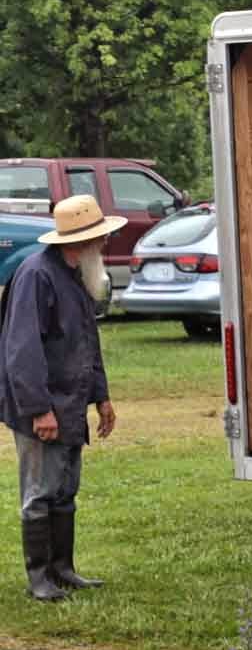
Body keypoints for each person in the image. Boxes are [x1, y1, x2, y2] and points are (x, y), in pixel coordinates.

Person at [0, 194, 122, 601]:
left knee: (65, 488)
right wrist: (39, 409)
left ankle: (62, 569)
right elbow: (22, 348)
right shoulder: (36, 275)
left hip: (69, 403)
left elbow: (87, 341)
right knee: (40, 491)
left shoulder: (75, 276)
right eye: (100, 238)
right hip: (44, 405)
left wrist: (101, 397)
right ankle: (39, 577)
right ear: (82, 241)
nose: (104, 245)